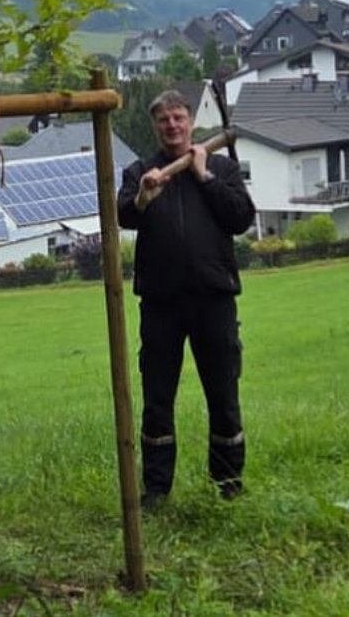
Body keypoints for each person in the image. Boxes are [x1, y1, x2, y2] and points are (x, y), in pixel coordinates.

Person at [116, 89, 255, 508]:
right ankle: (157, 489)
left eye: (178, 117)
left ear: (191, 121)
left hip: (214, 301)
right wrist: (144, 196)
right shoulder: (140, 172)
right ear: (155, 126)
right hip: (161, 304)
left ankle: (227, 483)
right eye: (164, 120)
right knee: (158, 399)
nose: (172, 125)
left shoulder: (222, 168)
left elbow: (241, 218)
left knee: (223, 394)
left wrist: (203, 176)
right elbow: (123, 215)